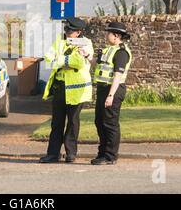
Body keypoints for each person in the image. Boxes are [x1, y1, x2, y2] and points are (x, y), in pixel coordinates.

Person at [39, 17, 94, 163]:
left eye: (70, 31)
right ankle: (52, 154)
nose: (67, 33)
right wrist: (64, 62)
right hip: (60, 88)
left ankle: (71, 154)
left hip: (77, 90)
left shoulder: (86, 43)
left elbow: (79, 62)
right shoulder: (60, 40)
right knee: (56, 122)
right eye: (66, 30)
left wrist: (60, 60)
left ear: (78, 33)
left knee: (73, 123)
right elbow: (48, 57)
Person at [79, 21, 132, 165]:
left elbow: (118, 76)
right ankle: (102, 153)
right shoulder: (109, 49)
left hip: (113, 90)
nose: (106, 35)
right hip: (103, 89)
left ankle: (110, 156)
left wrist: (111, 95)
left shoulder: (121, 52)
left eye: (108, 32)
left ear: (116, 35)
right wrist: (87, 55)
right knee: (100, 122)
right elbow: (97, 63)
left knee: (110, 123)